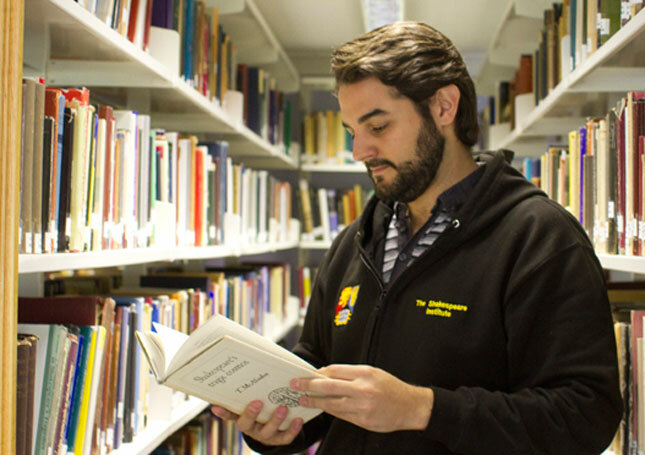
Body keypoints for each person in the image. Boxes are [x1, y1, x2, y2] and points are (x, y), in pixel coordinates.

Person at [212, 21, 623, 454]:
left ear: (444, 107)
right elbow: (316, 371)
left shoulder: (539, 239)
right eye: (353, 131)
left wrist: (422, 409)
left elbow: (584, 416)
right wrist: (279, 426)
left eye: (378, 126)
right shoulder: (356, 241)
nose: (359, 151)